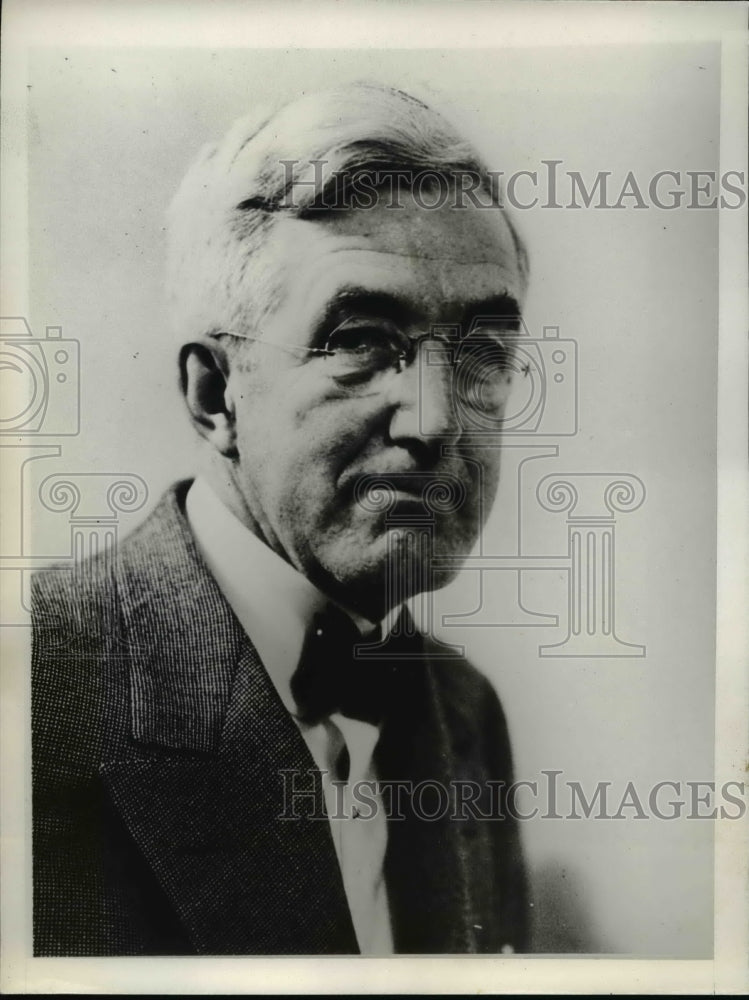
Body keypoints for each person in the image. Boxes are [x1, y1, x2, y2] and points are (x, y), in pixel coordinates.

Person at [31, 82, 530, 956]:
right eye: (361, 340)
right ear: (214, 394)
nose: (437, 418)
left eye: (483, 352)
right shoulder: (34, 683)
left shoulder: (463, 710)